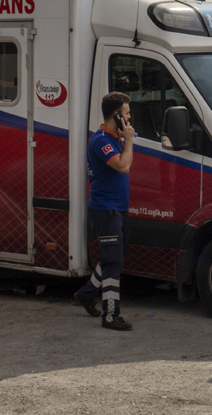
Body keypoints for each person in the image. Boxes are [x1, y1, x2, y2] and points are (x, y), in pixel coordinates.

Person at [74, 91, 135, 330]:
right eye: (127, 114)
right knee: (113, 261)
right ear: (117, 115)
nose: (130, 119)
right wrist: (128, 140)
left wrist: (125, 137)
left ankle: (87, 294)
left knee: (114, 257)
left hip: (119, 209)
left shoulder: (115, 137)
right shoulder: (101, 140)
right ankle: (111, 315)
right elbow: (123, 166)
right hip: (105, 210)